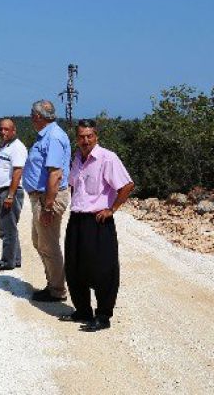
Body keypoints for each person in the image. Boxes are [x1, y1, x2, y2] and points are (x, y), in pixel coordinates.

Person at [60, 119, 134, 332]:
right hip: (77, 218)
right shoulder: (76, 159)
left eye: (89, 136)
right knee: (74, 267)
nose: (85, 140)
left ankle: (103, 316)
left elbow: (127, 185)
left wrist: (111, 209)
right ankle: (82, 311)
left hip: (98, 221)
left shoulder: (107, 158)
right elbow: (74, 186)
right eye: (81, 136)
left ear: (96, 137)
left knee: (103, 270)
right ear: (77, 138)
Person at [23, 100, 71, 302]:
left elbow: (55, 174)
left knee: (48, 245)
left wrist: (48, 207)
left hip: (47, 199)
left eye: (32, 115)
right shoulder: (47, 135)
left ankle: (57, 290)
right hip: (40, 198)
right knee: (39, 242)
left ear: (38, 117)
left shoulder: (53, 137)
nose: (31, 118)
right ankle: (52, 284)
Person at [0, 118, 28, 271]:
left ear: (14, 130)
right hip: (4, 191)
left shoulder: (17, 148)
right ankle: (15, 259)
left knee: (7, 229)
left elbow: (18, 172)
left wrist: (10, 195)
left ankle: (7, 262)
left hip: (11, 191)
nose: (3, 132)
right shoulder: (6, 146)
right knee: (10, 227)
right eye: (1, 129)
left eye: (6, 129)